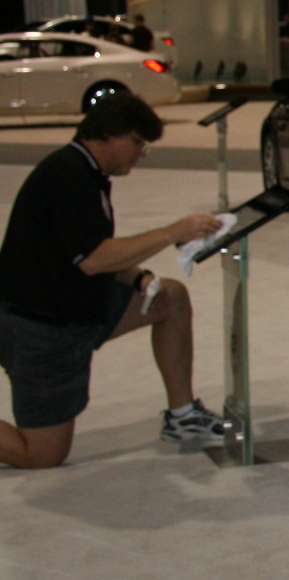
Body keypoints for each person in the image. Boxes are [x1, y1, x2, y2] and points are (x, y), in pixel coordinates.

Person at [0, 92, 227, 469]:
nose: (141, 152)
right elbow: (93, 259)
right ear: (108, 134)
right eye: (138, 142)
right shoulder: (67, 176)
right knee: (41, 454)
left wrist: (135, 274)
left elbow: (83, 249)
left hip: (77, 309)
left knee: (169, 298)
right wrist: (172, 231)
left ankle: (183, 415)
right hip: (40, 329)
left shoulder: (87, 173)